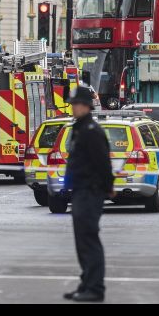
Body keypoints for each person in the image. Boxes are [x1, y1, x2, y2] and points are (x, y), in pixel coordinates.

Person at [61, 86, 115, 302]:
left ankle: (95, 288)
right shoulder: (79, 128)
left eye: (75, 104)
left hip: (90, 192)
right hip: (80, 190)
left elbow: (103, 162)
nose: (72, 108)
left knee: (89, 239)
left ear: (85, 106)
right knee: (81, 241)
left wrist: (108, 186)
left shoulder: (92, 131)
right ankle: (86, 284)